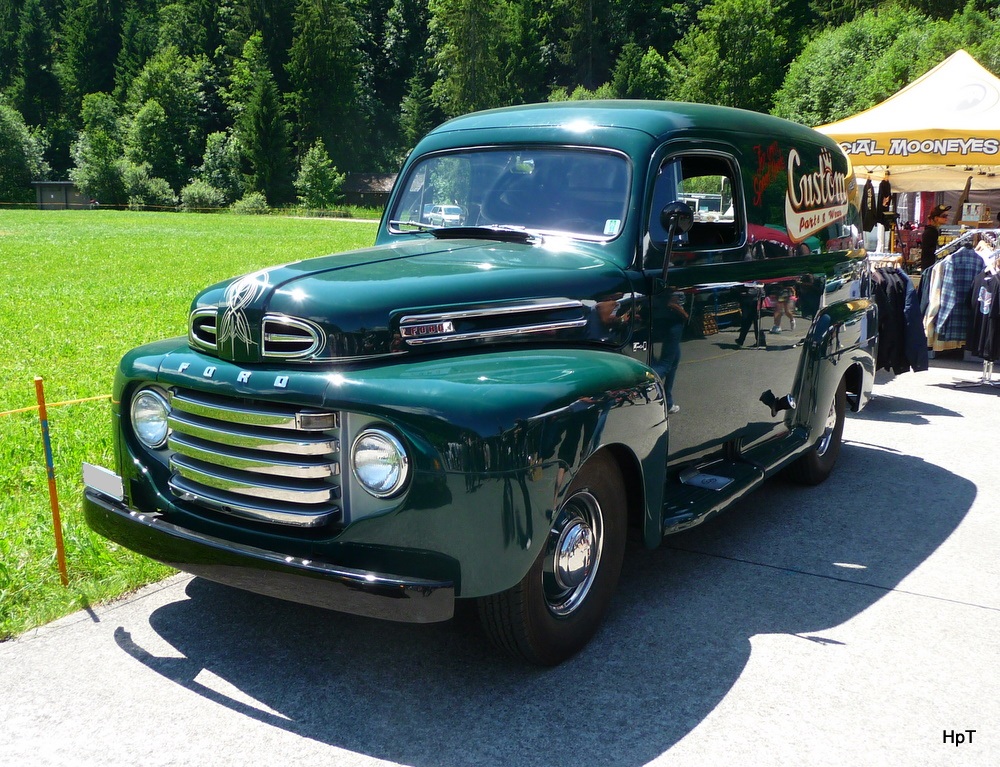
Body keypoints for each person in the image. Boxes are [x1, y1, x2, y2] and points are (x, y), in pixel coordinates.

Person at [920, 204, 950, 271]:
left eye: (946, 216)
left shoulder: (938, 231)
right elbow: (927, 250)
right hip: (931, 267)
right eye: (943, 216)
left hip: (936, 266)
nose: (946, 218)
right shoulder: (930, 232)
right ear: (936, 218)